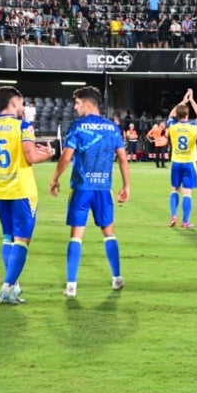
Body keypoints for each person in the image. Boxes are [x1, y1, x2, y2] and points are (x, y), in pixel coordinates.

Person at [49, 86, 131, 298]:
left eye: (77, 103)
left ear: (87, 103)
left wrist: (55, 178)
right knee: (109, 233)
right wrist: (126, 185)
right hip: (103, 189)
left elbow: (66, 157)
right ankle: (117, 277)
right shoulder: (113, 128)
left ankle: (71, 285)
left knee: (77, 237)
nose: (75, 107)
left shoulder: (77, 126)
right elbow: (123, 158)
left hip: (81, 189)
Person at [0, 85, 56, 305]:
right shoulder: (23, 126)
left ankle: (14, 284)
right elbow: (30, 157)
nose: (23, 107)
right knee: (23, 240)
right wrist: (48, 154)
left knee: (8, 237)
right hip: (22, 190)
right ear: (13, 103)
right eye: (21, 103)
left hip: (0, 189)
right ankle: (7, 287)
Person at [167, 90, 197, 228]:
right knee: (187, 193)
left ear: (178, 114)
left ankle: (173, 216)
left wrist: (183, 101)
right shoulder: (193, 127)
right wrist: (192, 100)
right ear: (187, 114)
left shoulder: (173, 127)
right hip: (189, 163)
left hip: (176, 162)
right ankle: (185, 221)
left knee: (174, 190)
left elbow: (171, 115)